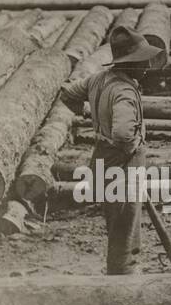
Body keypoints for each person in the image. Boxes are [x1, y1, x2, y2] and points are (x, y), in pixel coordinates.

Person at [57, 25, 163, 275]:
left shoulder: (98, 79)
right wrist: (134, 146)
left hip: (102, 159)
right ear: (129, 63)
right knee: (126, 225)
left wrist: (88, 115)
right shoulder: (124, 91)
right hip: (122, 164)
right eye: (141, 61)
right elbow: (123, 133)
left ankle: (119, 272)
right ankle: (123, 280)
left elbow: (68, 93)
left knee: (116, 222)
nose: (146, 66)